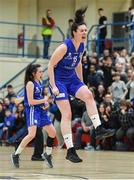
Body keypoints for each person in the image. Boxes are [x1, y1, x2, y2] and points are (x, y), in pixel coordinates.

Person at [48, 7, 115, 163]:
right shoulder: (64, 47)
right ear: (74, 32)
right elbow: (50, 65)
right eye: (82, 30)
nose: (85, 32)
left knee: (89, 95)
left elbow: (78, 63)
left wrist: (81, 83)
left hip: (72, 79)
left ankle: (98, 129)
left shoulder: (82, 46)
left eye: (86, 30)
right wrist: (53, 86)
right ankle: (70, 150)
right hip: (58, 81)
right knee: (67, 114)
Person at [11, 64, 56, 168]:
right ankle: (16, 155)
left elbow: (38, 98)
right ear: (33, 73)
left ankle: (48, 154)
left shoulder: (39, 82)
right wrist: (44, 100)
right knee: (31, 134)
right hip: (32, 110)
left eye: (41, 71)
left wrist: (45, 103)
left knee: (52, 132)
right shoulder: (30, 84)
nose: (42, 73)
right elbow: (31, 101)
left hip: (40, 110)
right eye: (40, 71)